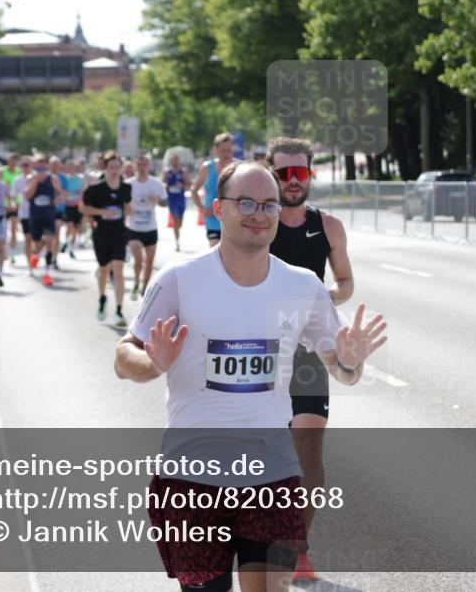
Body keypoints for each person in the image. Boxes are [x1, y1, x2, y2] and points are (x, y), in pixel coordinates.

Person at [114, 160, 386, 592]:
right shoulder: (178, 280)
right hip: (191, 478)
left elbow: (343, 371)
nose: (259, 213)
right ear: (218, 210)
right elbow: (123, 355)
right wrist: (153, 363)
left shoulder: (303, 287)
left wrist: (352, 360)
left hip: (272, 474)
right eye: (245, 202)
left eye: (269, 204)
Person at [266, 137, 354, 581]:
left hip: (307, 354)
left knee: (309, 454)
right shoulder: (257, 224)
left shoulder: (329, 227)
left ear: (310, 175)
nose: (293, 182)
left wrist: (317, 302)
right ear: (271, 175)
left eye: (300, 173)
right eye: (284, 174)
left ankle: (298, 548)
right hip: (260, 352)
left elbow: (344, 284)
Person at [80, 151, 133, 326]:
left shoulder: (126, 188)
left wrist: (128, 209)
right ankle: (102, 299)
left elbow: (127, 206)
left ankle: (119, 311)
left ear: (121, 168)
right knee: (103, 270)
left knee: (118, 270)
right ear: (106, 168)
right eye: (111, 167)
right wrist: (102, 212)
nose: (114, 170)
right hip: (101, 233)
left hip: (119, 233)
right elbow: (83, 208)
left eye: (117, 167)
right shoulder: (96, 188)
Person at [126, 154, 166, 301]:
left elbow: (164, 202)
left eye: (144, 165)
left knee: (149, 262)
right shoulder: (128, 184)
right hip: (134, 228)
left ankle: (144, 289)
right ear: (135, 166)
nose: (142, 168)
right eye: (139, 165)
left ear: (149, 166)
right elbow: (121, 203)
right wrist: (127, 208)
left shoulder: (156, 184)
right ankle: (136, 282)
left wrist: (157, 200)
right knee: (139, 259)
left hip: (150, 228)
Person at [191, 132, 236, 247]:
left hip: (234, 218)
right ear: (216, 150)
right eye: (223, 151)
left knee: (233, 253)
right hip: (213, 219)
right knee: (215, 249)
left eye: (229, 150)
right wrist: (202, 209)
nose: (227, 154)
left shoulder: (239, 167)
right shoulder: (207, 167)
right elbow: (194, 189)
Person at [24, 156, 64, 287]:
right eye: (38, 166)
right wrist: (36, 181)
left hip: (48, 215)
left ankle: (47, 273)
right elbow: (27, 195)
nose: (41, 169)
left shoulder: (52, 179)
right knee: (37, 245)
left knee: (50, 240)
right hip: (35, 216)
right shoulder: (31, 178)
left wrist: (56, 200)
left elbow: (61, 193)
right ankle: (35, 255)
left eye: (43, 166)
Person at [162, 153, 189, 251]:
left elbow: (189, 184)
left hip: (181, 198)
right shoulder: (166, 171)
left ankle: (178, 228)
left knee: (179, 222)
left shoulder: (183, 171)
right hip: (172, 198)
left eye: (176, 160)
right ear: (171, 161)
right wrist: (166, 186)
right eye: (173, 160)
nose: (175, 162)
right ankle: (177, 241)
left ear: (179, 161)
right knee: (175, 219)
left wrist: (182, 185)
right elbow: (163, 182)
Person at [11, 157, 35, 271]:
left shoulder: (37, 177)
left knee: (40, 239)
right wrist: (15, 205)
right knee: (28, 238)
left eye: (28, 165)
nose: (25, 167)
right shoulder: (17, 180)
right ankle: (30, 264)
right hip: (24, 213)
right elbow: (13, 196)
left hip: (38, 213)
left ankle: (35, 255)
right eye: (23, 165)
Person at [60, 157, 84, 258]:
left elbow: (81, 192)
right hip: (67, 206)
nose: (70, 168)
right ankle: (66, 241)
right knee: (69, 226)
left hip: (77, 206)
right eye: (68, 166)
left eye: (72, 166)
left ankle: (71, 248)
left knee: (75, 229)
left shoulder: (79, 179)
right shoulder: (64, 179)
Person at [0, 154, 21, 260]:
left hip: (15, 204)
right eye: (10, 161)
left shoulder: (19, 172)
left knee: (13, 228)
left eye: (14, 161)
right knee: (3, 230)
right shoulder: (2, 172)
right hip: (4, 204)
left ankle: (12, 253)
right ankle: (4, 251)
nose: (12, 163)